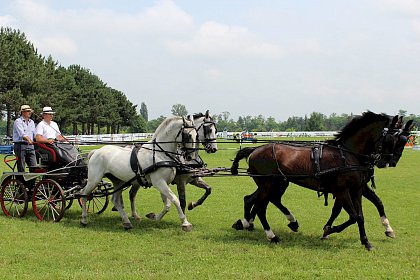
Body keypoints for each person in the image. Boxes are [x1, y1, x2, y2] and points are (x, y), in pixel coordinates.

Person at [12, 105, 37, 172]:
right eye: (28, 111)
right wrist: (29, 140)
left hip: (31, 146)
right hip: (20, 146)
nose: (30, 113)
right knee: (21, 167)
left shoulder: (31, 122)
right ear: (23, 112)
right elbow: (22, 134)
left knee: (33, 166)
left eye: (30, 111)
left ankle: (31, 182)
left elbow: (35, 134)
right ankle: (21, 181)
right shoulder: (18, 121)